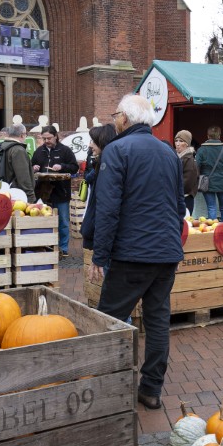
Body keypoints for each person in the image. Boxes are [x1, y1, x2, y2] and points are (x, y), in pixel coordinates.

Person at [89, 94, 184, 410]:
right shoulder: (168, 152)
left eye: (116, 114)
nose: (115, 120)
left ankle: (107, 387)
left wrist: (99, 255)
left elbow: (108, 209)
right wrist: (172, 242)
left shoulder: (117, 150)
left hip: (132, 253)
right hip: (165, 252)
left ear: (125, 119)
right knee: (157, 321)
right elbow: (179, 206)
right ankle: (151, 389)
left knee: (109, 318)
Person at [31, 125, 78, 257]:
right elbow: (31, 165)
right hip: (43, 193)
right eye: (44, 138)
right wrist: (33, 167)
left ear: (56, 136)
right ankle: (47, 246)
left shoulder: (65, 150)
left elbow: (74, 167)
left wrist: (62, 166)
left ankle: (63, 248)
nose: (46, 141)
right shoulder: (39, 151)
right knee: (44, 221)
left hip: (61, 191)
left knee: (63, 221)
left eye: (49, 138)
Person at [80, 123, 118, 253]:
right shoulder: (101, 164)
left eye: (93, 142)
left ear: (102, 143)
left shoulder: (106, 168)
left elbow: (105, 207)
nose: (90, 145)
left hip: (102, 237)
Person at [195, 126, 223, 221]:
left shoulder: (201, 150)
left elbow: (196, 167)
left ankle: (213, 229)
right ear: (219, 136)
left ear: (208, 136)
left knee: (211, 208)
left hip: (207, 183)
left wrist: (199, 177)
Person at [0, 123, 36, 202]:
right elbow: (23, 177)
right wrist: (31, 197)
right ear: (22, 135)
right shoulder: (18, 150)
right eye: (26, 134)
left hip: (2, 193)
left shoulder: (1, 146)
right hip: (17, 196)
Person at [174, 130, 198, 214]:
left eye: (181, 141)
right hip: (176, 198)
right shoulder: (176, 157)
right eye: (176, 140)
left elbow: (187, 184)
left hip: (185, 200)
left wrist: (172, 191)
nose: (177, 144)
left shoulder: (189, 160)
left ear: (187, 143)